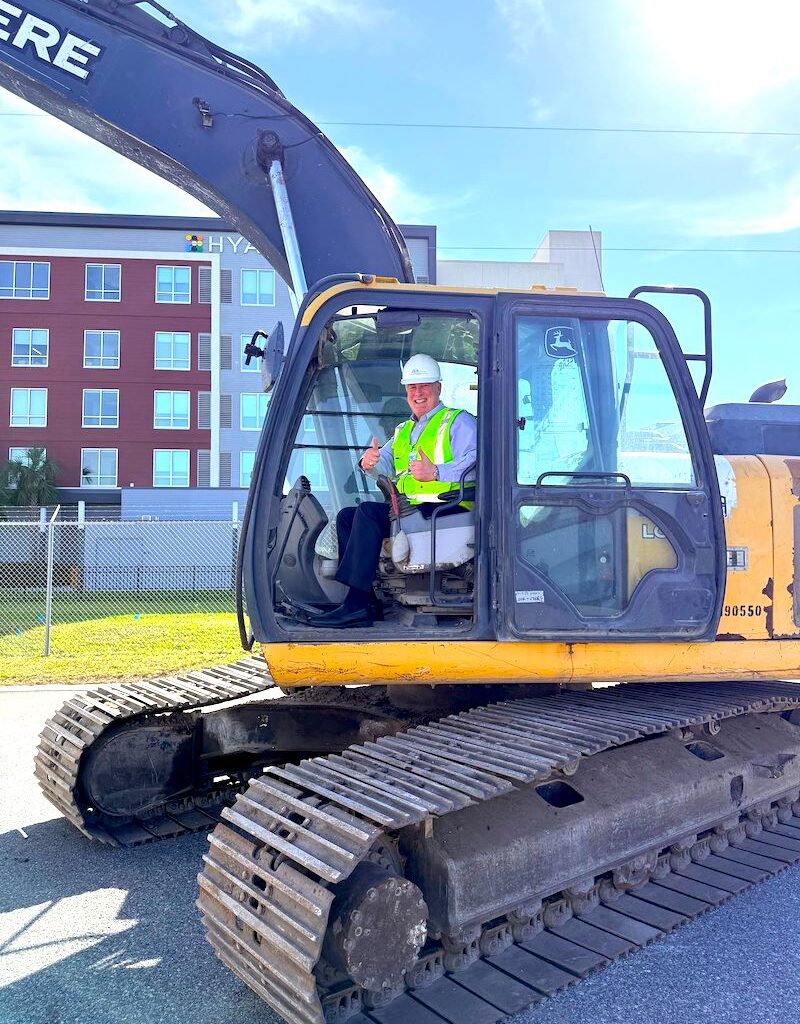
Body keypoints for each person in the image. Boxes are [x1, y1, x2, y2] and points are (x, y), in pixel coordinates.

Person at [305, 353, 477, 627]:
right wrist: (369, 463)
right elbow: (383, 461)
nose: (418, 393)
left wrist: (436, 472)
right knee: (348, 517)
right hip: (413, 512)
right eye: (412, 387)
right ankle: (368, 602)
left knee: (368, 513)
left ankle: (356, 605)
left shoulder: (457, 422)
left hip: (447, 509)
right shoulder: (404, 430)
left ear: (438, 388)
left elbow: (478, 461)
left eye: (424, 386)